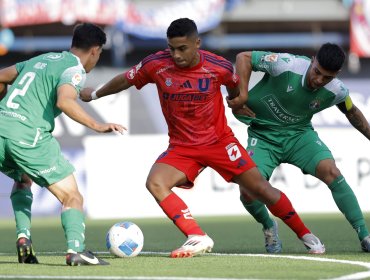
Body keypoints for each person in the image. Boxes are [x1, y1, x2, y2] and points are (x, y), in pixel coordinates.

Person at [80, 18, 324, 257]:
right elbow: (126, 79)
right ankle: (197, 236)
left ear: (197, 43)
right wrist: (95, 94)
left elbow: (234, 85)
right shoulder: (156, 65)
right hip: (183, 147)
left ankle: (306, 235)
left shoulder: (218, 67)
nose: (176, 55)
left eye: (182, 48)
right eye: (171, 48)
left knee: (260, 190)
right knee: (155, 182)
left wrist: (237, 102)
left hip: (219, 142)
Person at [0, 23, 126, 265]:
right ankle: (76, 250)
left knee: (23, 178)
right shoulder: (74, 68)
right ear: (95, 51)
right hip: (27, 136)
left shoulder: (43, 59)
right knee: (72, 196)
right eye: (98, 55)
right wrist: (97, 125)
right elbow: (65, 101)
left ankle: (23, 238)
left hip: (2, 128)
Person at [232, 43, 370, 253]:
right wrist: (241, 94)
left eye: (327, 78)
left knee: (331, 171)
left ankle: (364, 235)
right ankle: (269, 226)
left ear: (336, 75)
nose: (319, 80)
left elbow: (352, 112)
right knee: (247, 191)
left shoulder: (338, 90)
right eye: (317, 72)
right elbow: (243, 57)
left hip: (299, 136)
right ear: (313, 59)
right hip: (263, 135)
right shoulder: (285, 64)